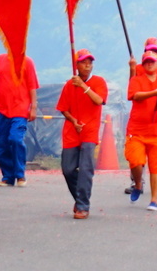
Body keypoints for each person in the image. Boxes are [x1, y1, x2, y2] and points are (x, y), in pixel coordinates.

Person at [56, 49, 107, 220]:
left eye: (90, 63)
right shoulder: (69, 85)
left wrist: (83, 86)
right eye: (84, 62)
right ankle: (80, 199)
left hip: (90, 131)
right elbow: (63, 109)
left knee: (85, 168)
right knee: (68, 169)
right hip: (72, 130)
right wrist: (73, 120)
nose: (87, 65)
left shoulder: (99, 81)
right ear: (76, 65)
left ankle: (83, 205)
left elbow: (99, 100)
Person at [126, 42, 157, 212]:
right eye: (146, 61)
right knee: (135, 160)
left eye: (152, 61)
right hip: (137, 128)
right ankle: (138, 183)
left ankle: (154, 199)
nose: (149, 64)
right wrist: (154, 93)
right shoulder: (137, 78)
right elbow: (134, 95)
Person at [0, 51, 38, 187]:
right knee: (1, 142)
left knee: (15, 139)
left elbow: (32, 86)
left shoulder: (27, 61)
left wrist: (34, 107)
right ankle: (8, 176)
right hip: (1, 108)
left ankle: (20, 174)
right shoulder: (0, 59)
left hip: (20, 109)